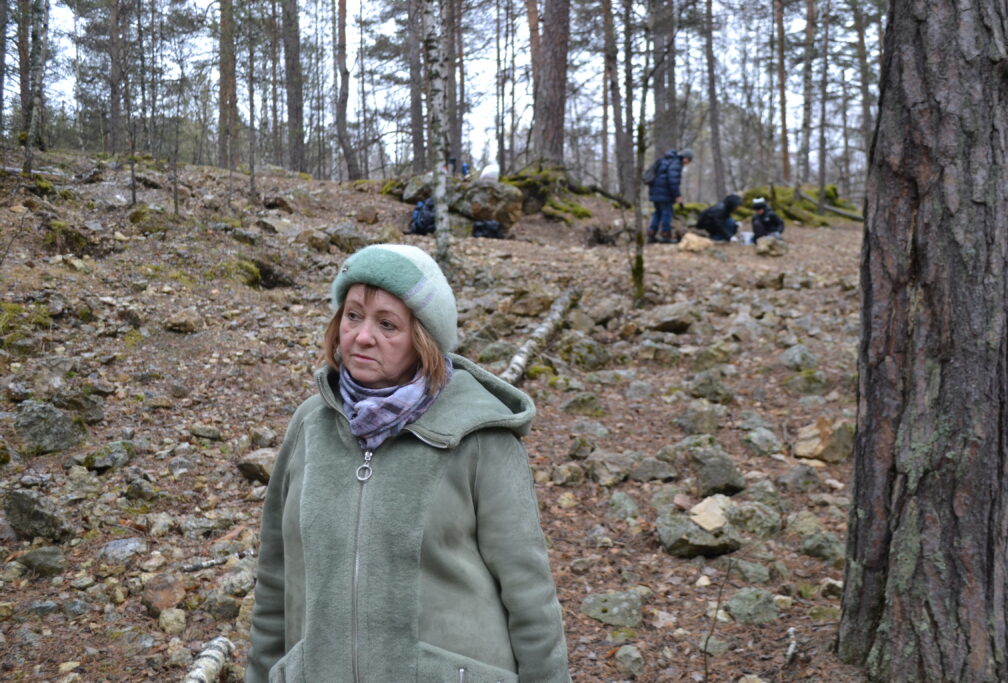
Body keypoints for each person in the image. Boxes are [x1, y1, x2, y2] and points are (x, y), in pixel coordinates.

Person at [246, 244, 571, 683]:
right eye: (353, 315)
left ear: (423, 339)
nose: (362, 336)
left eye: (387, 324)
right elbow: (275, 581)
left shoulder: (481, 436)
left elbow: (530, 595)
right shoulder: (310, 425)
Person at [646, 148, 693, 244]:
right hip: (665, 194)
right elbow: (673, 181)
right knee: (667, 213)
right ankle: (666, 236)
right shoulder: (676, 164)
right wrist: (677, 195)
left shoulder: (666, 160)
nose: (687, 163)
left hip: (655, 192)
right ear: (686, 158)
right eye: (688, 160)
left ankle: (651, 234)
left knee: (658, 213)